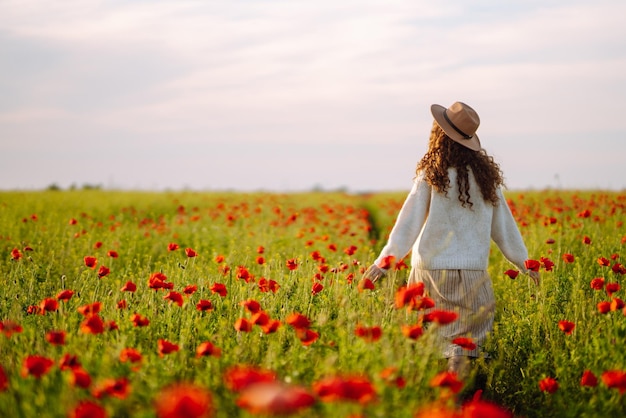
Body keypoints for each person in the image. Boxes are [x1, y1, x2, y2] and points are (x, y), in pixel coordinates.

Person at [363, 101, 540, 379]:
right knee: (464, 345)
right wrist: (524, 262)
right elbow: (504, 226)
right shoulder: (486, 181)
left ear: (440, 135)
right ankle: (455, 398)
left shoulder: (430, 175)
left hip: (430, 272)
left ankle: (432, 399)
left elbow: (407, 224)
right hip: (472, 275)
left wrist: (385, 262)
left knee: (429, 340)